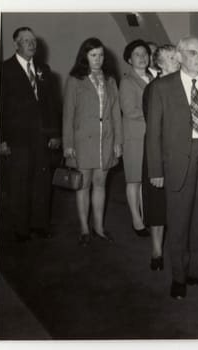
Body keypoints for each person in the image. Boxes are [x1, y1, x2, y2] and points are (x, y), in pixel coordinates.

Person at [145, 36, 198, 299]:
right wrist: (156, 171)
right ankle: (178, 276)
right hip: (179, 159)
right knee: (178, 220)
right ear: (179, 56)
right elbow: (153, 133)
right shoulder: (162, 87)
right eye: (193, 53)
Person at [0, 27, 61, 242]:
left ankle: (40, 225)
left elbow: (52, 104)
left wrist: (54, 134)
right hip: (17, 139)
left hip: (42, 138)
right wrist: (0, 140)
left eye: (33, 40)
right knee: (19, 184)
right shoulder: (4, 70)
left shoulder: (44, 69)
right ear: (16, 44)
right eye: (26, 40)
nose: (31, 44)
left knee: (41, 183)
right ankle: (21, 229)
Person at [63, 37, 123, 246]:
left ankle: (98, 227)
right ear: (85, 57)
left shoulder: (110, 80)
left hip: (105, 139)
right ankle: (84, 228)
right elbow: (68, 114)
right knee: (83, 185)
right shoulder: (75, 80)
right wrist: (68, 144)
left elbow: (116, 112)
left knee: (100, 184)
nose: (98, 59)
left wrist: (118, 140)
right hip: (82, 142)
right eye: (93, 55)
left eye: (101, 55)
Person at [141, 44, 181, 271]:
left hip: (179, 154)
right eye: (169, 58)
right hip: (158, 151)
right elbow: (154, 125)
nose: (176, 60)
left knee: (177, 204)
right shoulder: (154, 88)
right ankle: (156, 250)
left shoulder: (184, 85)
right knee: (157, 204)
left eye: (176, 56)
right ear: (159, 63)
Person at [119, 39, 153, 237]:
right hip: (134, 136)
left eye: (145, 54)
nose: (142, 58)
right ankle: (136, 219)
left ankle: (146, 215)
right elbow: (130, 111)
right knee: (134, 180)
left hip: (151, 136)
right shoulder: (127, 81)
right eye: (137, 55)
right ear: (129, 60)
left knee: (147, 179)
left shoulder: (152, 77)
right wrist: (155, 115)